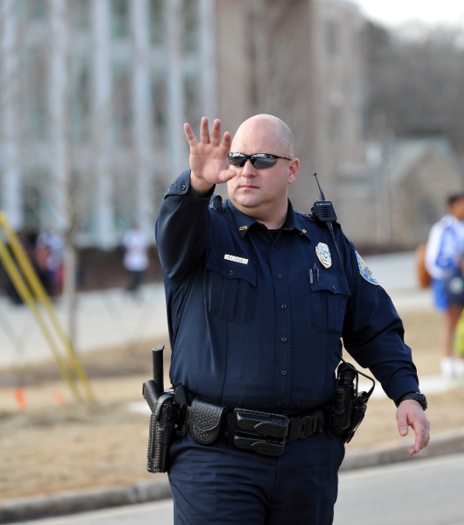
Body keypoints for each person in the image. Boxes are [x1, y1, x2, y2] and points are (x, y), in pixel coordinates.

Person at [155, 115, 430, 524]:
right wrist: (196, 185)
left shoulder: (328, 245)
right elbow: (171, 234)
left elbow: (375, 326)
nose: (246, 169)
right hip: (217, 461)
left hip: (307, 462)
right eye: (238, 158)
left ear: (292, 170)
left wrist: (406, 393)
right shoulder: (204, 233)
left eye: (263, 159)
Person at [425, 193, 464, 379]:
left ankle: (463, 361)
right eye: (462, 204)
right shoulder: (442, 229)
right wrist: (444, 277)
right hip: (449, 280)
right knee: (450, 321)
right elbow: (432, 258)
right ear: (452, 206)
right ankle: (447, 363)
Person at [121, 222, 149, 296]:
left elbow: (145, 247)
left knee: (140, 277)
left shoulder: (141, 234)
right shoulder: (129, 235)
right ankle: (133, 290)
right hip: (132, 259)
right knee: (134, 277)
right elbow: (124, 246)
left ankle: (133, 289)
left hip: (140, 259)